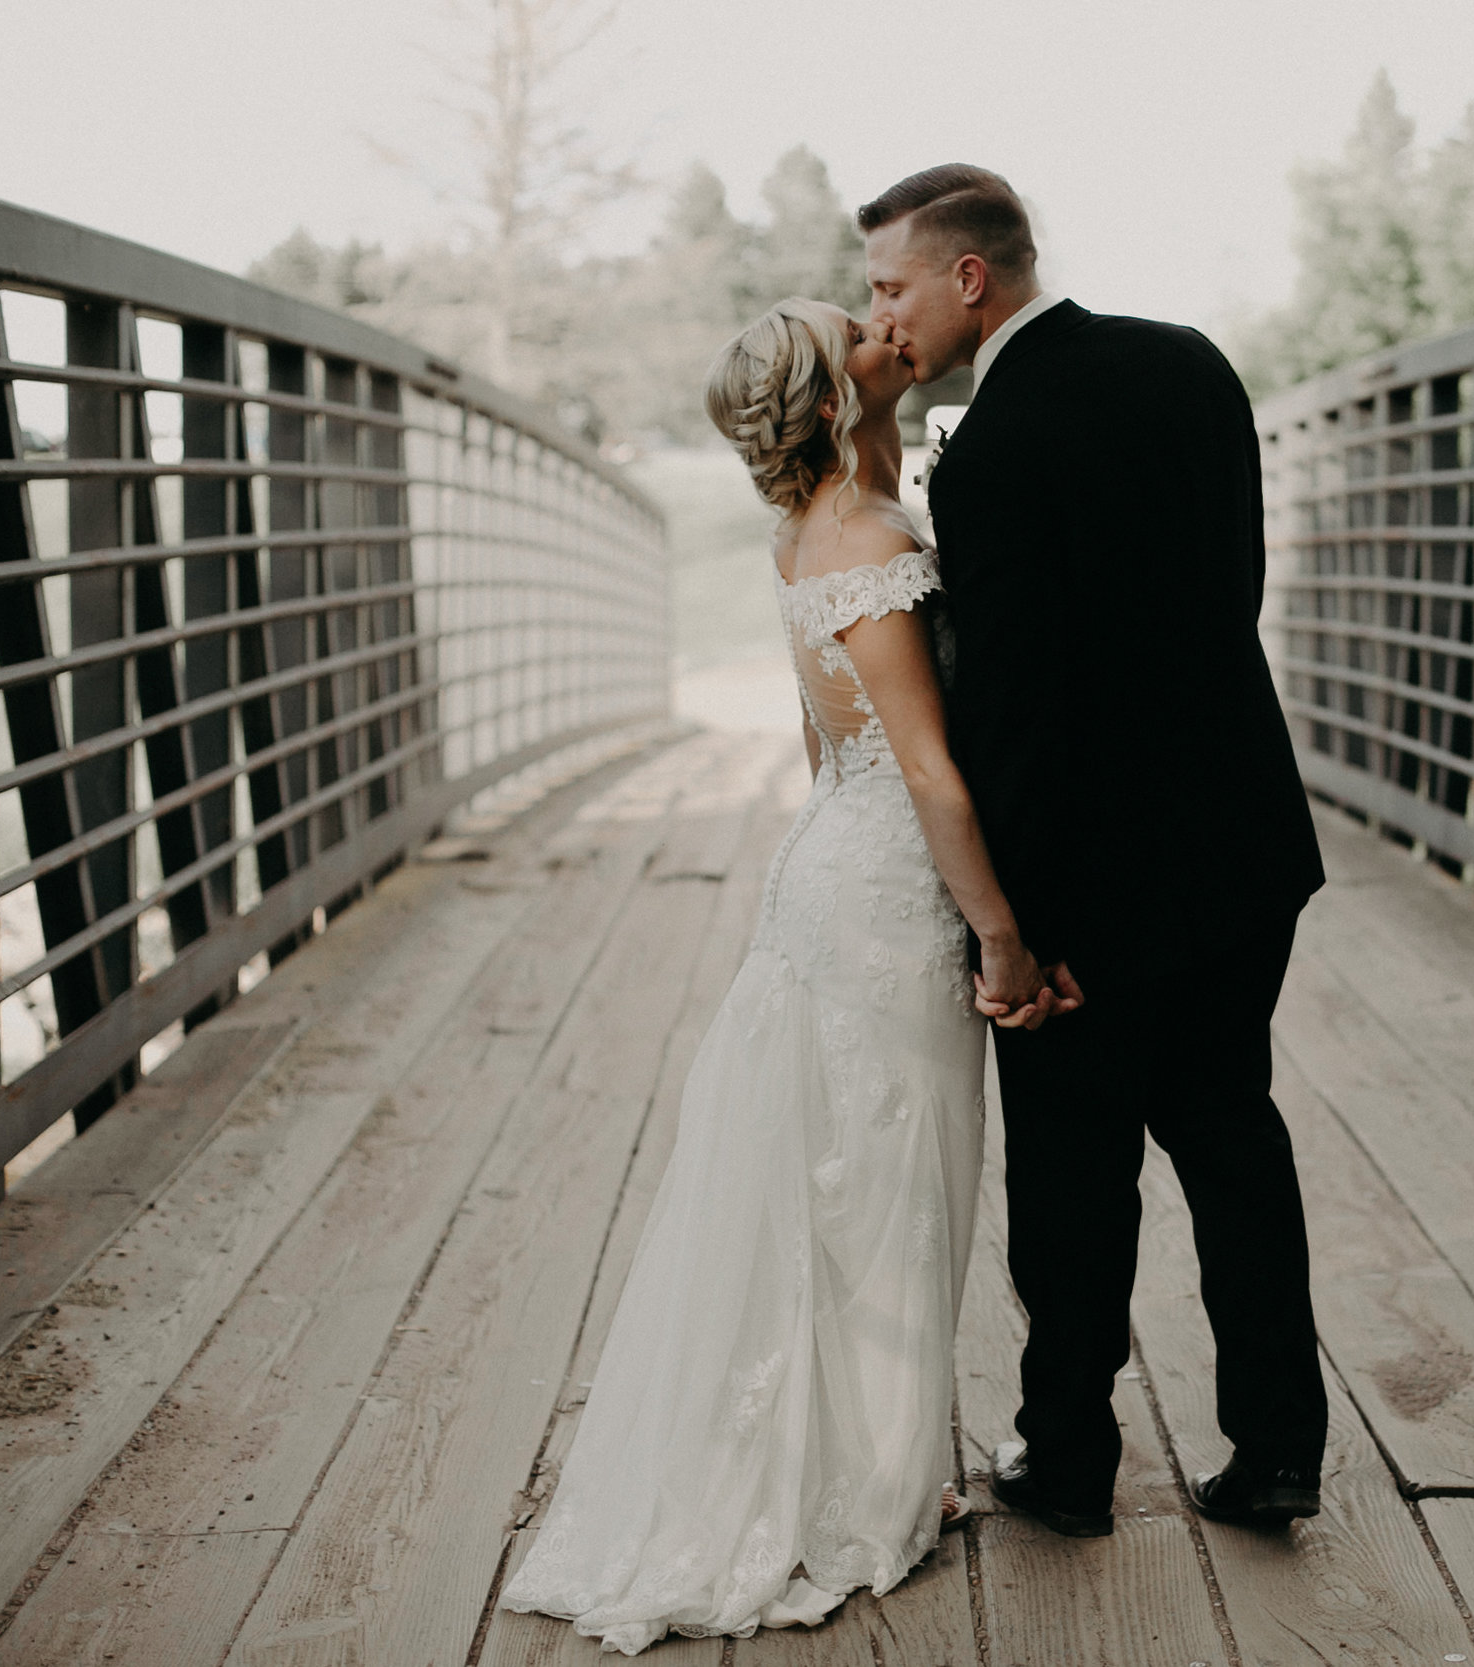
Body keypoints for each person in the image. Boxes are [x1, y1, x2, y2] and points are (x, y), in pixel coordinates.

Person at [498, 296, 1062, 1652]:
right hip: (885, 897)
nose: (882, 336)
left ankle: (875, 1454)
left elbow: (830, 750)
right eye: (852, 338)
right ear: (824, 403)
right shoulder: (866, 539)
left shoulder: (811, 527)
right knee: (888, 1176)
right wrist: (998, 935)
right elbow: (925, 766)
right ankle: (864, 1485)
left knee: (848, 1174)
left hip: (831, 873)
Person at [861, 165, 1329, 1539]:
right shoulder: (1190, 363)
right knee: (1233, 1137)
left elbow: (1016, 713)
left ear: (967, 279)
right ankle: (1279, 1450)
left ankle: (1066, 1464)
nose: (877, 315)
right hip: (1241, 844)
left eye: (891, 285)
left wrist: (1017, 925)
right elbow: (1229, 592)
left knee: (1071, 1178)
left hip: (1087, 881)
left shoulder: (993, 446)